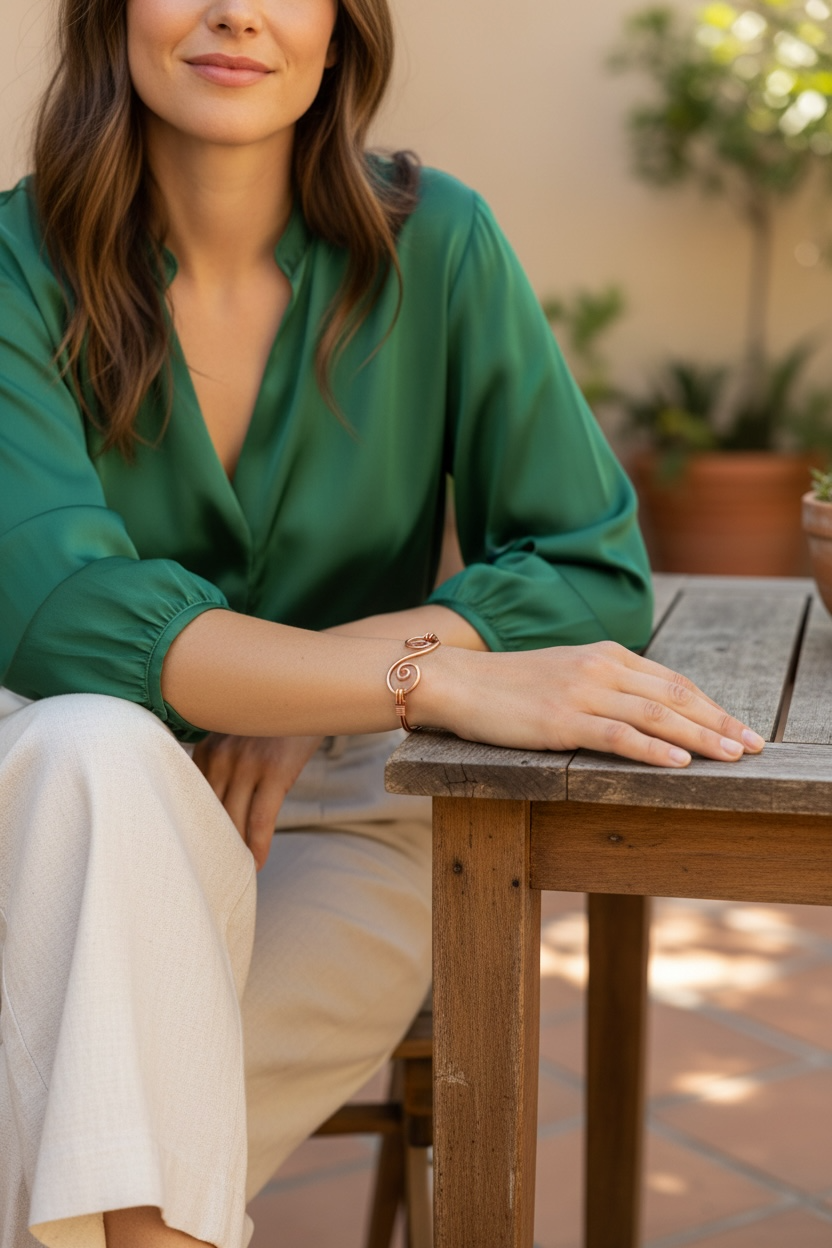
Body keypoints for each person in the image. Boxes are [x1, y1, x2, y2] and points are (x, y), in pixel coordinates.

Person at [0, 0, 766, 1245]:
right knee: (98, 742)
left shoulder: (438, 244)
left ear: (342, 24)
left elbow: (584, 560)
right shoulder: (12, 270)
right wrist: (422, 681)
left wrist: (328, 698)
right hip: (48, 801)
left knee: (96, 1133)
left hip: (340, 814)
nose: (234, 11)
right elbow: (59, 610)